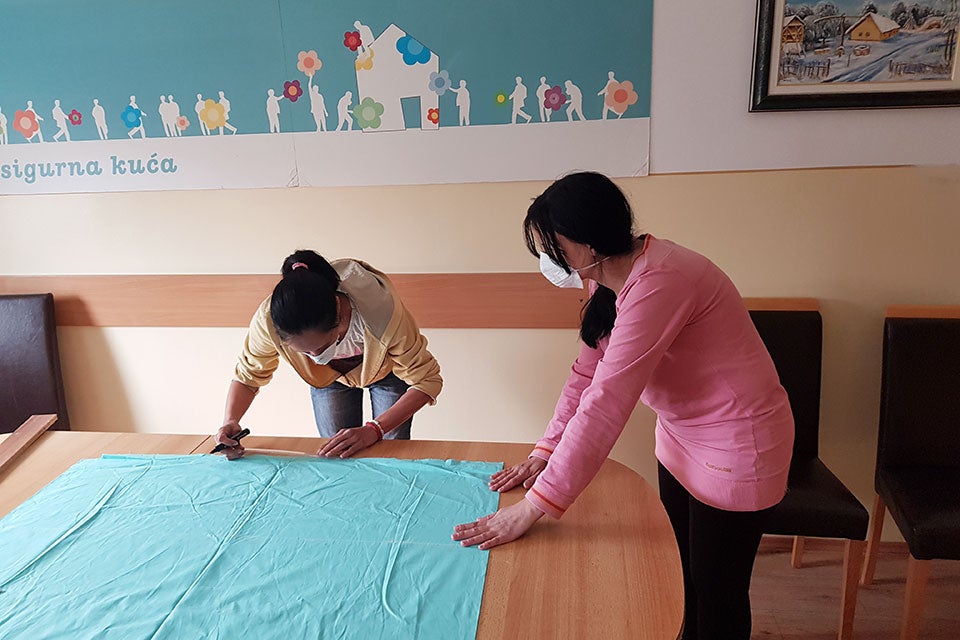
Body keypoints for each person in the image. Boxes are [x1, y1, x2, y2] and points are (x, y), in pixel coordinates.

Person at [453, 172, 794, 640]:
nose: (549, 259)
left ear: (590, 245)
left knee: (717, 591)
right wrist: (544, 450)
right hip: (680, 436)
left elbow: (608, 403)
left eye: (554, 245)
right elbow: (586, 375)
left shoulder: (661, 280)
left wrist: (534, 506)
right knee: (683, 577)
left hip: (737, 445)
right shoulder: (606, 278)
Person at [215, 250, 442, 460]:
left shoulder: (382, 315)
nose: (316, 355)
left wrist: (375, 429)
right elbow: (247, 376)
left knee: (389, 452)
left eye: (322, 345)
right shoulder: (268, 322)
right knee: (336, 452)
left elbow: (426, 381)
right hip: (327, 378)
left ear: (339, 314)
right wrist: (231, 420)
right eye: (305, 351)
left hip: (388, 370)